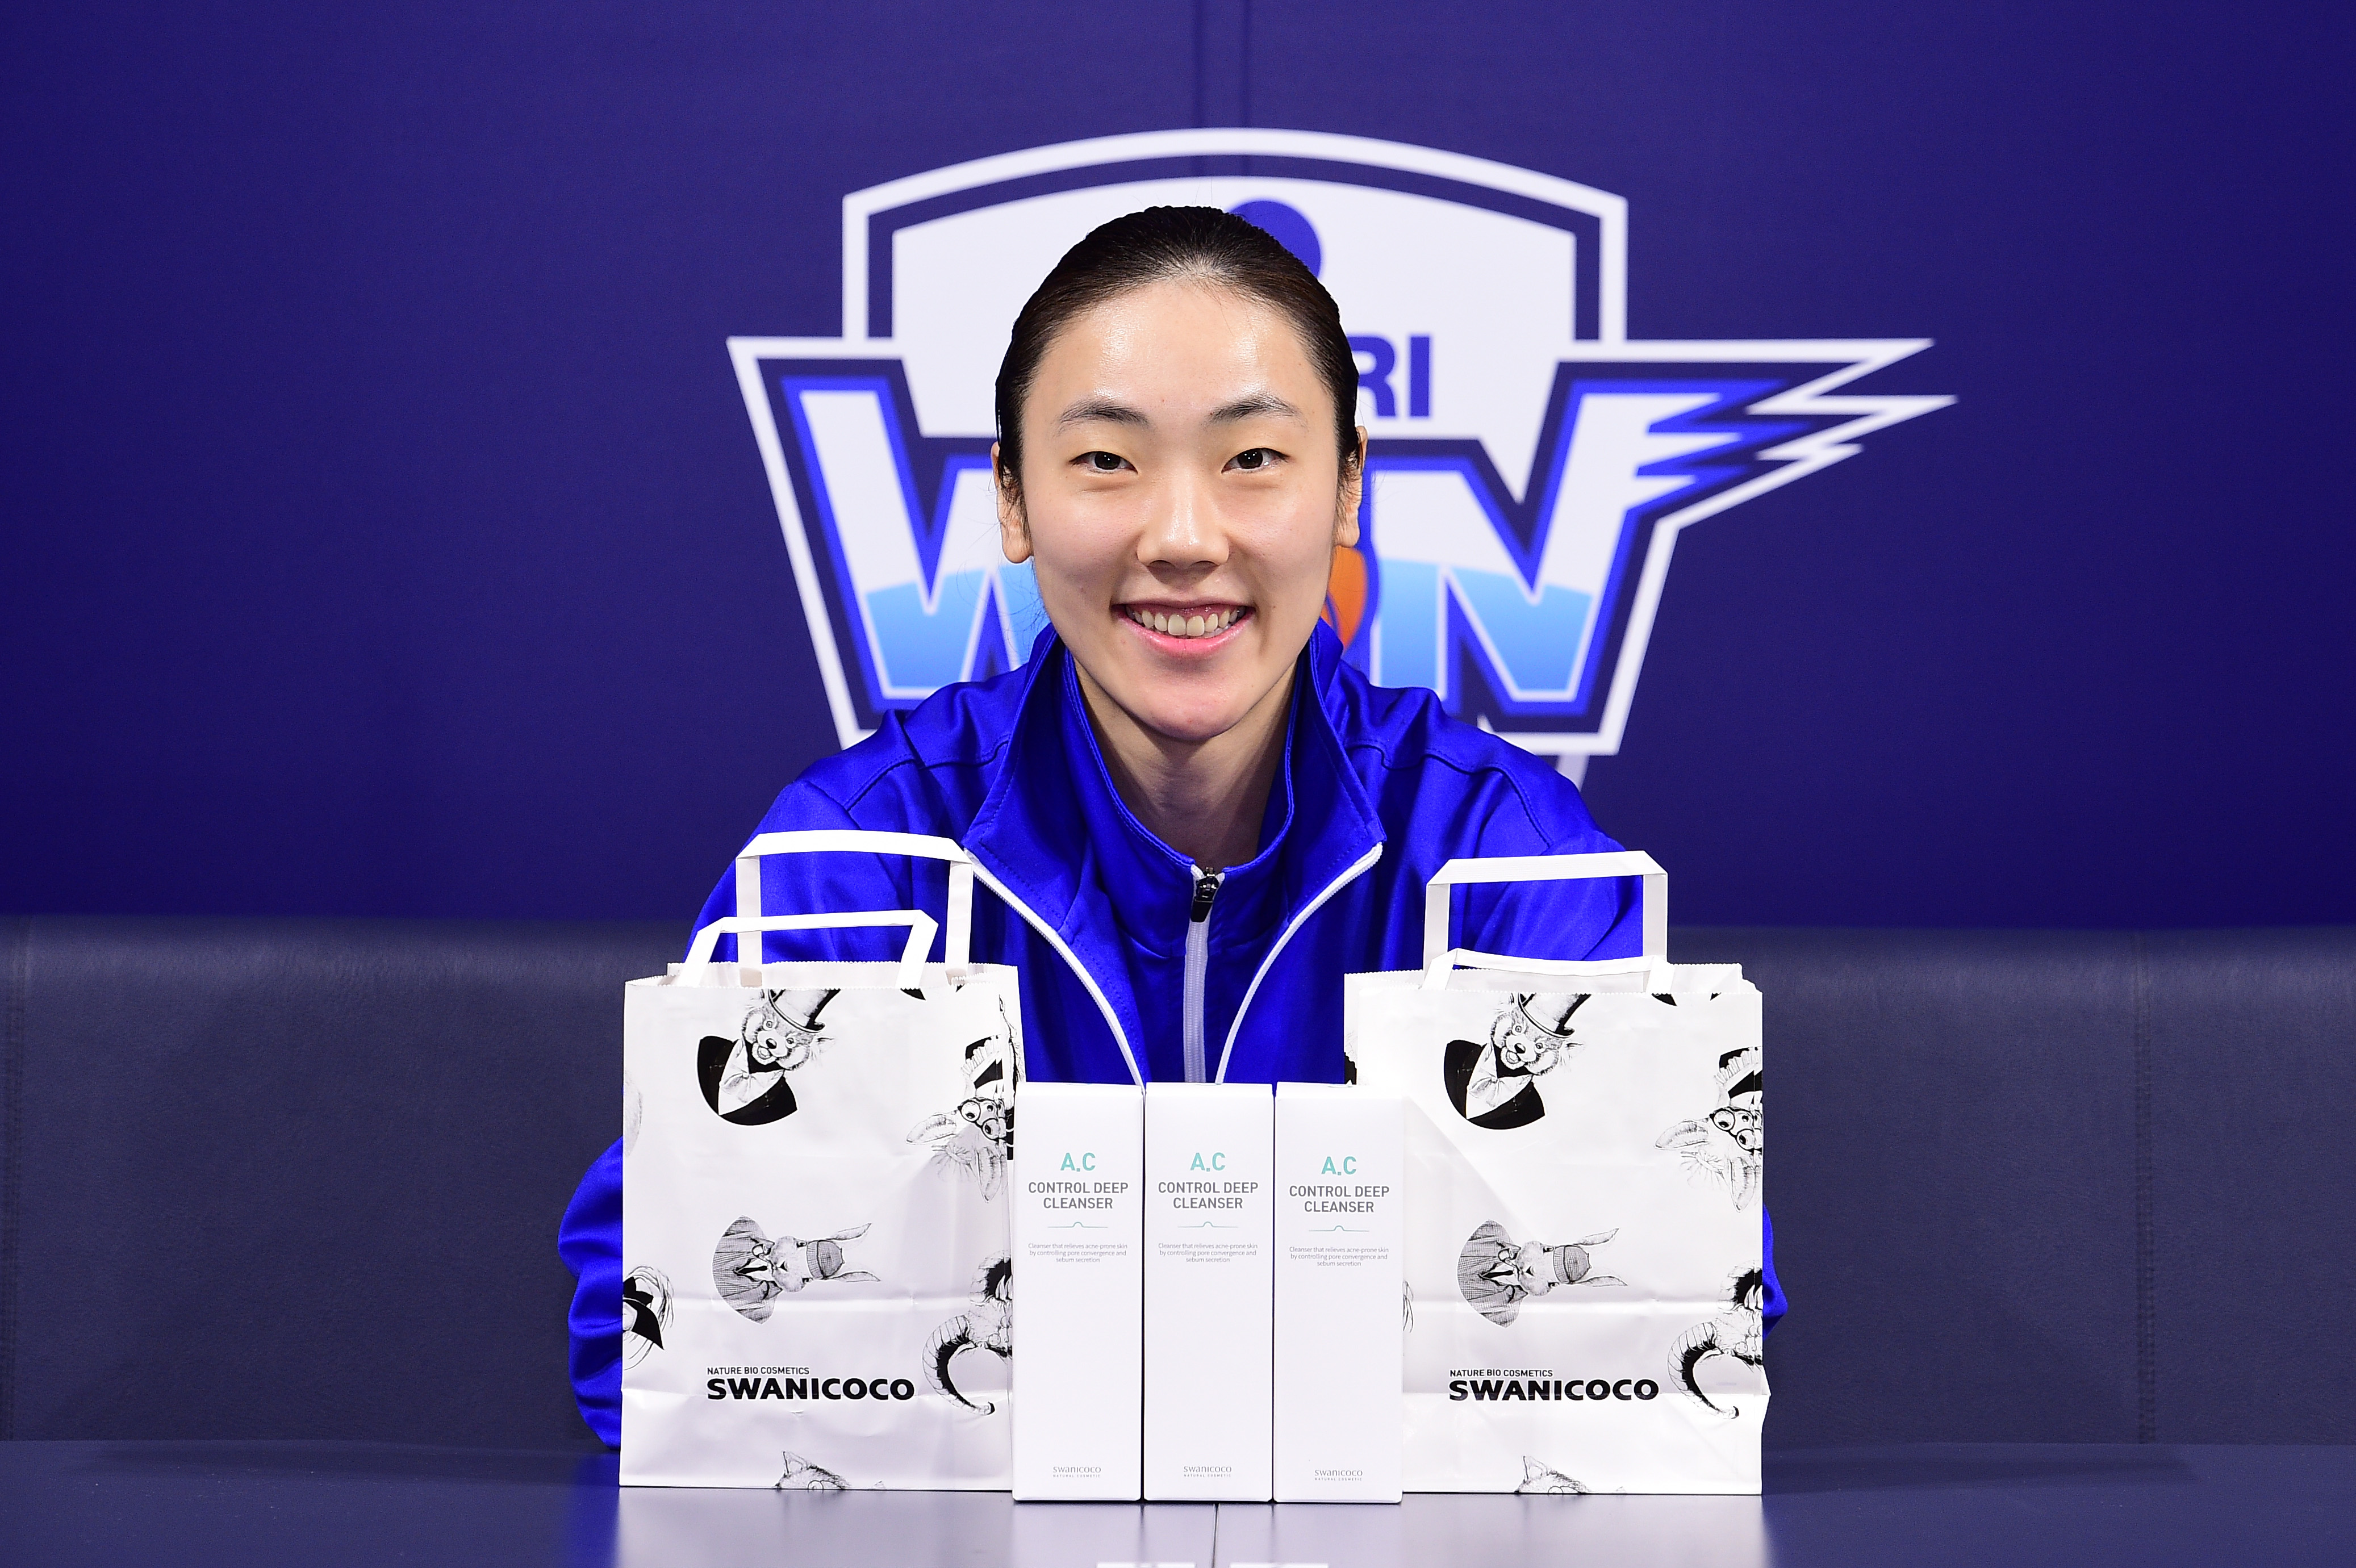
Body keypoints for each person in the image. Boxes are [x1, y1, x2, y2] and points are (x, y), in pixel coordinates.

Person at [557, 206, 1783, 1444]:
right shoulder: (860, 854)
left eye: (1253, 458)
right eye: (1106, 460)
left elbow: (1691, 1313)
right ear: (1011, 497)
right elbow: (648, 1326)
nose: (1185, 539)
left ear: (1348, 485)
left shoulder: (1500, 853)